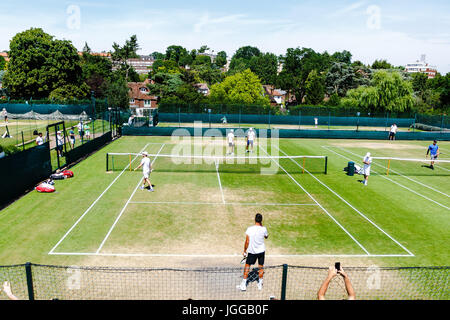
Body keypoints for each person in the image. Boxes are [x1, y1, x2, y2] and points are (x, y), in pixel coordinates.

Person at [239, 213, 269, 291]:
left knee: (247, 265)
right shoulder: (264, 229)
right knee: (261, 266)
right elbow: (266, 236)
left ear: (254, 219)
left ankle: (244, 284)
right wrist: (262, 227)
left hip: (252, 251)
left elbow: (247, 241)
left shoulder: (250, 229)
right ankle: (260, 284)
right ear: (261, 220)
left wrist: (245, 251)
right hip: (261, 251)